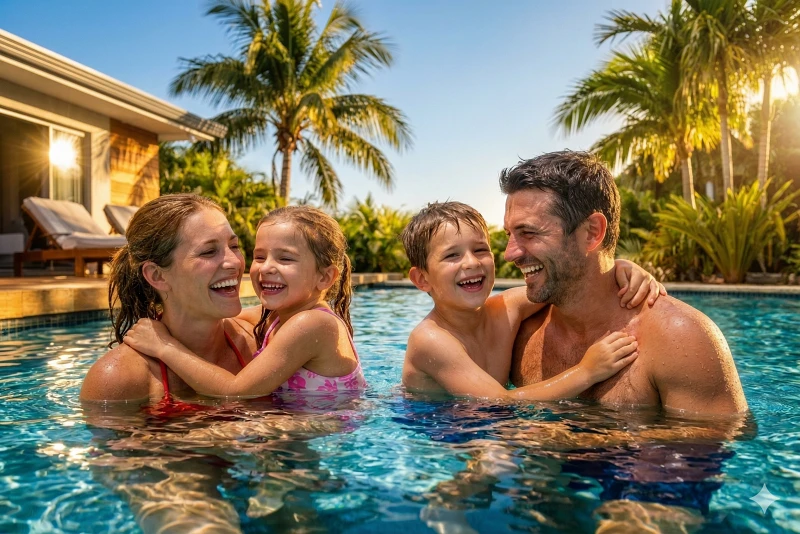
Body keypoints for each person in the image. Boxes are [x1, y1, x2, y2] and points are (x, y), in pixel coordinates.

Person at [502, 151, 748, 415]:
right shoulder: (514, 331)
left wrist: (566, 439)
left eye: (528, 233)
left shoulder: (680, 339)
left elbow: (712, 446)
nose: (510, 253)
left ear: (592, 232)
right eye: (509, 234)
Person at [400, 201, 666, 400]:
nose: (471, 263)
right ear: (422, 279)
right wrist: (587, 371)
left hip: (482, 418)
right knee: (498, 459)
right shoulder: (431, 340)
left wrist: (620, 268)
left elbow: (566, 282)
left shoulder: (507, 308)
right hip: (434, 422)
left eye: (480, 250)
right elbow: (499, 402)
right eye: (452, 256)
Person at [123, 205, 367, 398]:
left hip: (323, 439)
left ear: (324, 277)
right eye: (259, 256)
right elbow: (212, 316)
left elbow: (236, 391)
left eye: (285, 259)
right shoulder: (278, 315)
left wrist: (165, 346)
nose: (266, 267)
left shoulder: (311, 323)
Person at [80, 193, 257, 403]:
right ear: (157, 275)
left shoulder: (255, 343)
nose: (234, 262)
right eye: (209, 252)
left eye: (234, 246)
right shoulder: (119, 378)